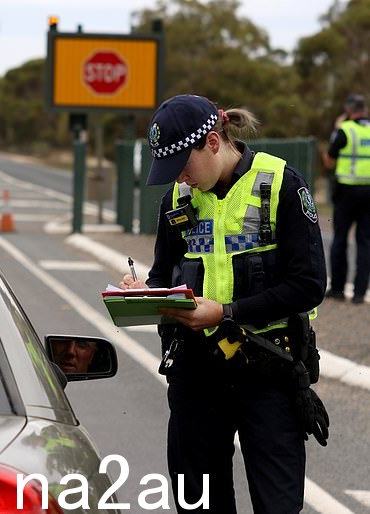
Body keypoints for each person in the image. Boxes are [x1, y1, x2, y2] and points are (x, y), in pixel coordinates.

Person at [120, 94, 327, 513]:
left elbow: (308, 284)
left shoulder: (282, 184)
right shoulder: (176, 201)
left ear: (213, 142)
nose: (180, 177)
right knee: (198, 505)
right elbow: (164, 275)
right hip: (196, 375)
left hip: (269, 367)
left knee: (278, 504)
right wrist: (142, 292)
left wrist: (227, 313)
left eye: (183, 164)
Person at [322, 94, 370, 304]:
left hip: (346, 192)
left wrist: (336, 129)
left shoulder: (345, 130)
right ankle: (360, 293)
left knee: (340, 238)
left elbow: (329, 162)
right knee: (365, 241)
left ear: (349, 110)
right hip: (368, 191)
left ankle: (338, 289)